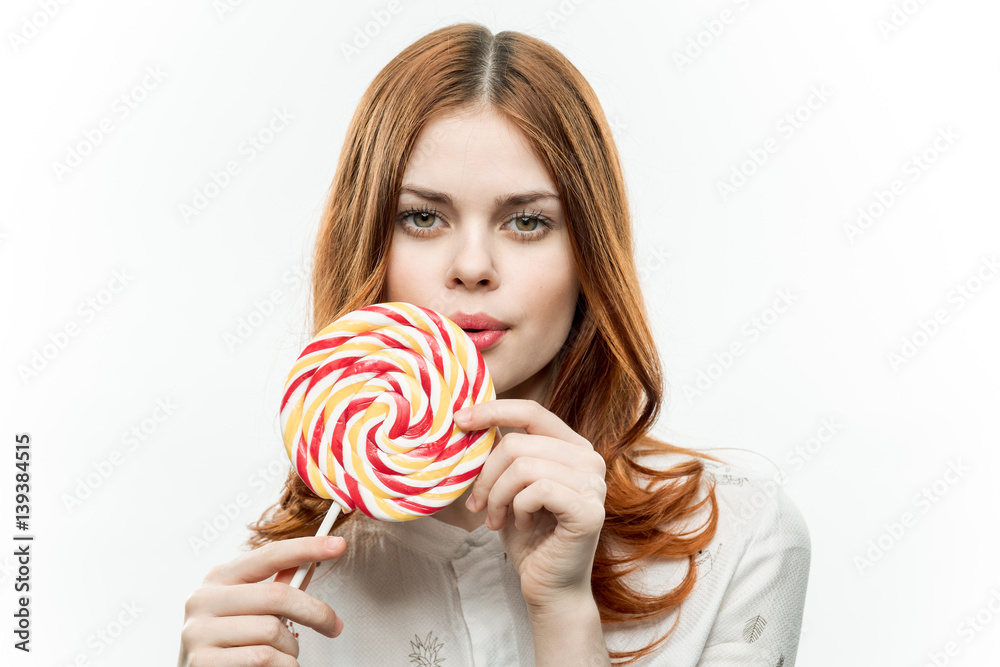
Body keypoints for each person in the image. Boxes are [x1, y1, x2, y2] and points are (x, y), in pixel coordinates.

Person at [178, 22, 810, 667]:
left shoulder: (736, 533)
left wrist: (564, 612)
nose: (472, 265)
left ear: (588, 254)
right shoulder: (282, 598)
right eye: (423, 217)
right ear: (373, 245)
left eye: (528, 221)